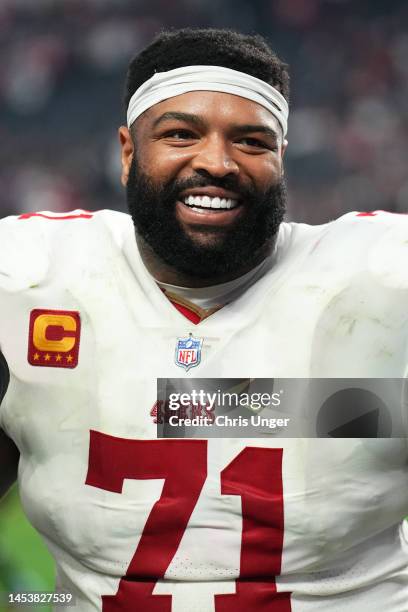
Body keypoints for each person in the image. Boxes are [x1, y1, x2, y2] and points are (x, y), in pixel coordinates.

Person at [0, 27, 408, 612]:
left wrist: (210, 404)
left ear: (281, 159)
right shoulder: (28, 278)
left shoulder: (383, 276)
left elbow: (193, 406)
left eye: (250, 141)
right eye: (180, 134)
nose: (216, 162)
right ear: (127, 152)